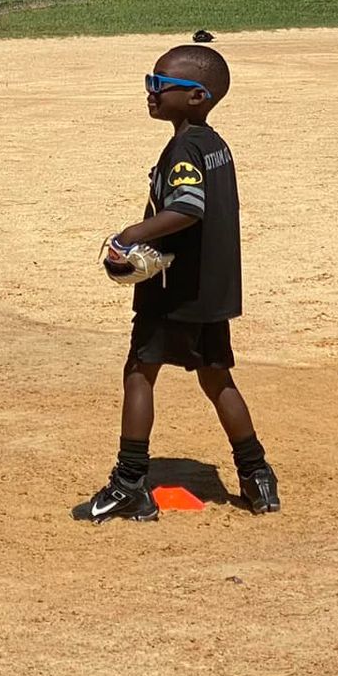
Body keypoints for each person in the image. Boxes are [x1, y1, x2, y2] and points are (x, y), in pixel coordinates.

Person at [77, 44, 279, 523]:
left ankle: (128, 484)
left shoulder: (184, 148)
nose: (150, 91)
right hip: (212, 292)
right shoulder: (215, 144)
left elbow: (187, 208)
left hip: (176, 293)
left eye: (160, 84)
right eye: (151, 80)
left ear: (196, 97)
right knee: (216, 378)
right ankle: (257, 477)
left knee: (139, 371)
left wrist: (129, 237)